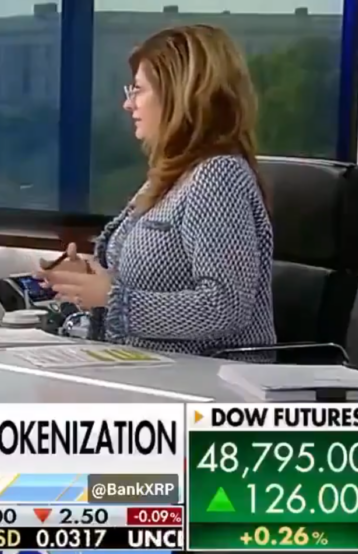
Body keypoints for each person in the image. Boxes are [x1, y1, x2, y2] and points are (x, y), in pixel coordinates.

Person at [35, 25, 275, 356]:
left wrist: (112, 299)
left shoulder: (218, 176)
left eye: (138, 90)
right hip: (141, 365)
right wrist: (89, 278)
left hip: (203, 377)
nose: (127, 104)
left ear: (180, 95)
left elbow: (226, 307)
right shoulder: (169, 176)